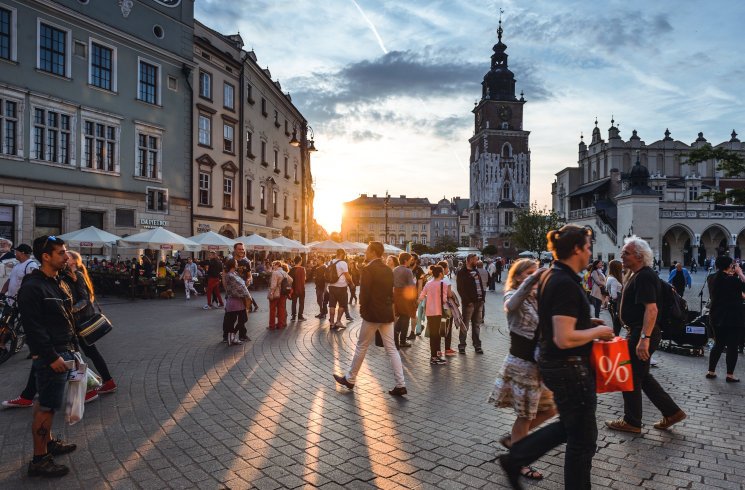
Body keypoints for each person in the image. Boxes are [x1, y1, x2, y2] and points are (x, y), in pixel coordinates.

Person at [499, 225, 614, 490]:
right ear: (576, 249)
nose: (589, 252)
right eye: (587, 247)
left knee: (573, 428)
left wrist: (585, 321)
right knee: (582, 439)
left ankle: (516, 457)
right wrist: (598, 330)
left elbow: (555, 321)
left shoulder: (554, 275)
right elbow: (563, 337)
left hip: (558, 365)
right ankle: (516, 458)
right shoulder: (564, 282)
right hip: (569, 367)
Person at [605, 237, 686, 434]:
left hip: (642, 332)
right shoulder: (637, 274)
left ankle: (632, 421)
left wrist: (644, 339)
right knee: (642, 376)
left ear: (639, 256)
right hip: (638, 332)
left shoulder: (644, 276)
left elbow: (651, 310)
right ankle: (672, 412)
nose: (621, 256)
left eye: (626, 253)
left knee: (630, 376)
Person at [489, 258, 556, 482]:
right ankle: (519, 460)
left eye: (535, 272)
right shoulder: (512, 295)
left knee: (550, 409)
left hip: (539, 365)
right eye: (528, 273)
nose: (533, 276)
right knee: (525, 416)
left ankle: (514, 440)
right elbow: (511, 305)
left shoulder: (538, 298)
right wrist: (534, 278)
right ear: (518, 277)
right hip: (522, 364)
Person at [18, 236, 78, 477]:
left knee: (47, 403)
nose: (66, 256)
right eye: (61, 253)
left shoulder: (56, 281)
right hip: (51, 355)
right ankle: (40, 459)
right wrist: (52, 356)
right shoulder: (32, 286)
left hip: (61, 349)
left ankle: (49, 442)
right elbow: (33, 328)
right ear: (46, 256)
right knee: (46, 407)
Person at [333, 241, 406, 396]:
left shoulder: (368, 269)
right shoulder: (388, 269)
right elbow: (390, 292)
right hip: (386, 313)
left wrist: (362, 310)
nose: (365, 253)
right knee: (392, 348)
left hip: (372, 314)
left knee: (361, 346)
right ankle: (401, 384)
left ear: (373, 252)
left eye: (367, 250)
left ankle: (350, 379)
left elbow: (364, 294)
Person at [62, 251, 117, 397]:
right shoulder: (67, 275)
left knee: (82, 353)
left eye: (67, 256)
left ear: (74, 260)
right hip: (75, 322)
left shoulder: (78, 275)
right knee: (87, 353)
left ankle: (94, 386)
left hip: (79, 322)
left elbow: (85, 299)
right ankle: (105, 382)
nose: (64, 258)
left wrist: (70, 310)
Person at [706, 256, 745, 382]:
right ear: (729, 266)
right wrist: (740, 273)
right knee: (732, 346)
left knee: (718, 344)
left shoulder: (711, 278)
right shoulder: (734, 280)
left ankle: (711, 371)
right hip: (733, 317)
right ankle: (730, 374)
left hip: (716, 316)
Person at [418, 265, 451, 365]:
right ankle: (434, 357)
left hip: (429, 312)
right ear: (440, 273)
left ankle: (434, 356)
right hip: (438, 312)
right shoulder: (443, 284)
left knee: (433, 334)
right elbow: (444, 299)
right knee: (437, 335)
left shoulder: (428, 283)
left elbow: (422, 296)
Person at [456, 253, 485, 354]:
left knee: (476, 325)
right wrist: (468, 301)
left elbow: (480, 286)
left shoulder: (476, 271)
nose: (477, 262)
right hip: (469, 304)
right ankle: (462, 345)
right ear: (469, 260)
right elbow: (460, 289)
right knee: (465, 325)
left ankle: (477, 345)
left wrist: (483, 299)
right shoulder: (462, 272)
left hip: (479, 302)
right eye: (475, 260)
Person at [0, 243, 38, 313]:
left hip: (21, 304)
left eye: (16, 251)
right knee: (4, 322)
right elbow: (9, 280)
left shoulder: (31, 265)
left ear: (22, 253)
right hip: (10, 302)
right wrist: (2, 293)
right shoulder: (17, 265)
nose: (15, 253)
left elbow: (33, 285)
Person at [222, 259, 250, 345]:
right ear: (233, 264)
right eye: (236, 263)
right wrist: (247, 295)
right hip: (234, 301)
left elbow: (241, 285)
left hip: (238, 301)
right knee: (234, 320)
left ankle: (232, 336)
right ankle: (231, 337)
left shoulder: (234, 274)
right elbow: (238, 288)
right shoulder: (230, 275)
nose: (237, 264)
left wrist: (246, 284)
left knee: (243, 318)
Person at [392, 252, 416, 349]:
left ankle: (400, 340)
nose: (411, 262)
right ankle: (397, 336)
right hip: (405, 296)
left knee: (403, 316)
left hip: (396, 295)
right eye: (410, 260)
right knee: (405, 316)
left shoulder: (395, 270)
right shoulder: (407, 271)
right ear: (406, 260)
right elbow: (411, 286)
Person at [327, 249, 354, 330]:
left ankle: (331, 323)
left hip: (331, 286)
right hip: (341, 287)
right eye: (344, 254)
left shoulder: (330, 262)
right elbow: (347, 276)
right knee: (342, 305)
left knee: (332, 305)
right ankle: (338, 321)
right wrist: (352, 283)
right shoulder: (343, 263)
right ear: (342, 254)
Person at [267, 261, 292, 329]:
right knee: (281, 309)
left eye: (273, 265)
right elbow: (291, 280)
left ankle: (271, 325)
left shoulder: (275, 273)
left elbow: (273, 285)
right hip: (283, 293)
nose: (273, 267)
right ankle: (280, 325)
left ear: (277, 265)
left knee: (272, 309)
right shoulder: (284, 273)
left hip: (276, 293)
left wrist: (271, 293)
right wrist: (283, 285)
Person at [605, 259, 624, 336]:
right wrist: (620, 294)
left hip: (613, 304)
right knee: (617, 325)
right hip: (616, 304)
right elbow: (614, 295)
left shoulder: (610, 277)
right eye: (620, 267)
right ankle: (615, 341)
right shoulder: (613, 279)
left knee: (616, 324)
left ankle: (615, 339)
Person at [289, 256, 307, 321]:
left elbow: (289, 280)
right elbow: (304, 279)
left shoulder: (291, 269)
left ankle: (293, 317)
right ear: (300, 261)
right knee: (301, 303)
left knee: (294, 303)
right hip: (301, 288)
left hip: (294, 288)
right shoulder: (302, 269)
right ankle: (300, 316)